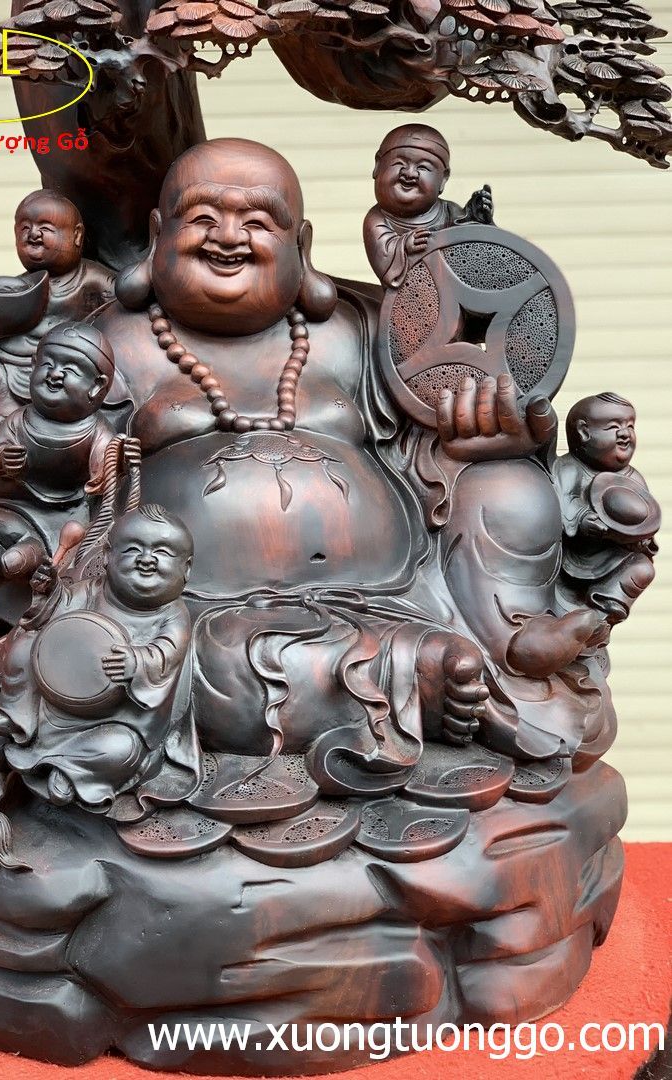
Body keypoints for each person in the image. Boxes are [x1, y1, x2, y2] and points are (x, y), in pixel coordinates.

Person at [93, 137, 610, 781]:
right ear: (157, 234)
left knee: (508, 486)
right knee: (212, 670)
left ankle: (510, 634)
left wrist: (488, 436)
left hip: (399, 586)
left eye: (258, 221)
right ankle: (414, 679)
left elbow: (426, 430)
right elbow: (59, 458)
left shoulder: (360, 326)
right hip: (200, 603)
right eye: (202, 217)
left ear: (302, 244)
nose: (227, 237)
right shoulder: (111, 341)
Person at [0, 505, 198, 814]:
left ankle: (70, 770)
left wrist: (137, 662)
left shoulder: (172, 616)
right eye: (133, 549)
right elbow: (58, 606)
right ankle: (17, 714)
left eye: (162, 552)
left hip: (118, 719)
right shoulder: (91, 591)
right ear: (108, 556)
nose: (146, 559)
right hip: (51, 709)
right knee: (26, 640)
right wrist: (48, 590)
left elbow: (167, 652)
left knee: (122, 750)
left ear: (186, 569)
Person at [0, 189, 116, 442]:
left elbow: (120, 305)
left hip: (66, 366)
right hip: (22, 361)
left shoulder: (91, 278)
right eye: (24, 228)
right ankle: (4, 417)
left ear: (77, 236)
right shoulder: (14, 288)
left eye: (45, 228)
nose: (33, 234)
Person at [0, 322, 116, 508]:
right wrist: (4, 460)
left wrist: (121, 459)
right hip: (19, 499)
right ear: (34, 365)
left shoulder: (97, 430)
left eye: (70, 370)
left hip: (73, 504)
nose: (54, 374)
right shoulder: (18, 420)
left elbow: (106, 470)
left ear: (97, 386)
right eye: (47, 364)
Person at [554, 392, 658, 626]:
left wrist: (642, 537)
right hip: (577, 555)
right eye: (613, 427)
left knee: (643, 568)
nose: (625, 433)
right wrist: (581, 518)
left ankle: (605, 607)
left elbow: (646, 515)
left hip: (617, 553)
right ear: (584, 432)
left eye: (630, 426)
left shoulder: (632, 477)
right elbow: (563, 500)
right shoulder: (569, 468)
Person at [363, 124, 494, 289]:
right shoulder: (378, 219)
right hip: (411, 296)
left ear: (443, 179)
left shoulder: (450, 211)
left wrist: (479, 220)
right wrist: (405, 245)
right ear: (377, 165)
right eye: (399, 163)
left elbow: (478, 250)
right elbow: (384, 260)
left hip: (459, 291)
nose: (410, 173)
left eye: (423, 167)